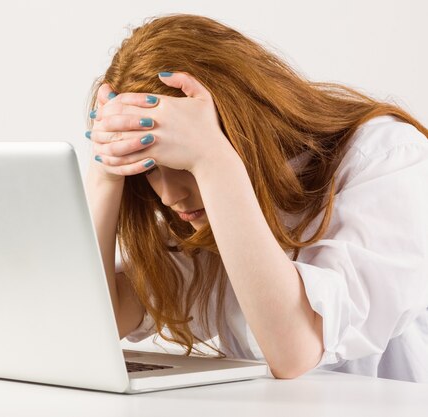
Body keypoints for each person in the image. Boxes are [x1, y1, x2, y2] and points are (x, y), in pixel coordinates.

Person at [84, 14, 428, 382]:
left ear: (243, 122)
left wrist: (212, 158)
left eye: (181, 164)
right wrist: (106, 172)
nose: (169, 196)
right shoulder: (202, 220)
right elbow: (90, 328)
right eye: (150, 168)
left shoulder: (389, 157)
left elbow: (295, 351)